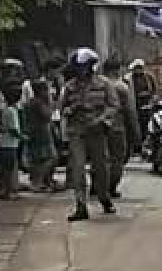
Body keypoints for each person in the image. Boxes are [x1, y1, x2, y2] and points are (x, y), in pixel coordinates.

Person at [60, 47, 118, 221]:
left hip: (97, 132)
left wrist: (101, 120)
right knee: (78, 168)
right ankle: (81, 205)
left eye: (83, 67)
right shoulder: (69, 87)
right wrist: (71, 109)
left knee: (101, 168)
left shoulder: (104, 84)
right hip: (77, 131)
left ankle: (104, 197)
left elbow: (113, 105)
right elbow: (61, 108)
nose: (80, 71)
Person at [102, 58, 140, 197]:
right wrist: (136, 133)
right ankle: (110, 187)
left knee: (100, 157)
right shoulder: (121, 86)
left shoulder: (97, 84)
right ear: (117, 70)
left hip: (98, 127)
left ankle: (97, 185)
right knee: (117, 157)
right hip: (116, 127)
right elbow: (130, 111)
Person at [23, 79, 58, 192]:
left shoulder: (30, 102)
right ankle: (39, 181)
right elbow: (47, 115)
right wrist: (51, 104)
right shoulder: (39, 103)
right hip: (42, 132)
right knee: (51, 158)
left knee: (37, 159)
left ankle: (43, 181)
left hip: (33, 131)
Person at [0, 86, 23, 199]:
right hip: (9, 144)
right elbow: (13, 129)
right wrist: (23, 137)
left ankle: (2, 190)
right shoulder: (12, 111)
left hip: (4, 143)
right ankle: (7, 192)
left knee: (4, 169)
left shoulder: (6, 110)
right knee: (8, 169)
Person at [126, 59, 159, 143]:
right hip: (134, 105)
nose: (138, 70)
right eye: (136, 68)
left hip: (148, 105)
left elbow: (155, 91)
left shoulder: (149, 77)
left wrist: (152, 102)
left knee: (149, 125)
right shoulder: (128, 78)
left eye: (140, 67)